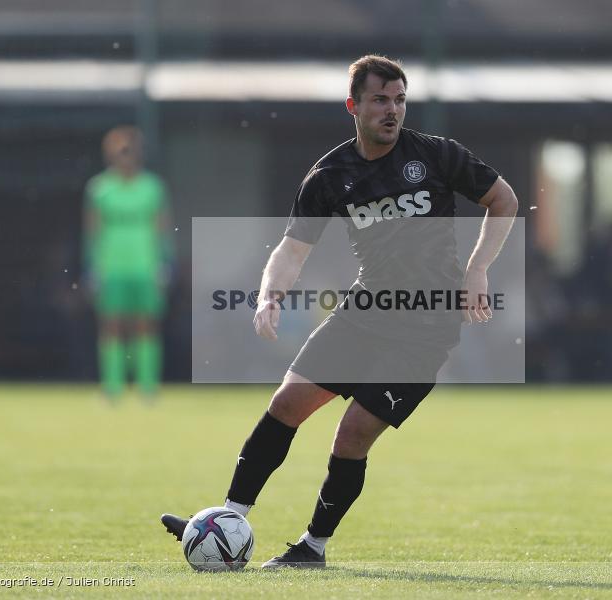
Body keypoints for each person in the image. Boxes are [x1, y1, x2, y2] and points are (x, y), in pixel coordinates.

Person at [161, 55, 518, 568]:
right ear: (353, 106)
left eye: (398, 100)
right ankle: (226, 520)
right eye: (379, 100)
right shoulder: (331, 175)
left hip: (424, 328)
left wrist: (478, 268)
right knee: (287, 404)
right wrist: (269, 295)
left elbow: (503, 200)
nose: (391, 110)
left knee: (350, 435)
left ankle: (313, 547)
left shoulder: (436, 155)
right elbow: (291, 249)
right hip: (364, 312)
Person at [83, 126, 174, 400]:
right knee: (111, 325)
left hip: (145, 266)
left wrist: (165, 262)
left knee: (146, 325)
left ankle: (147, 387)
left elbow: (162, 228)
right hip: (111, 268)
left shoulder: (153, 188)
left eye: (130, 151)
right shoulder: (100, 189)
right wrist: (92, 267)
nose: (126, 157)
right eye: (120, 151)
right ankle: (113, 387)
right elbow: (92, 231)